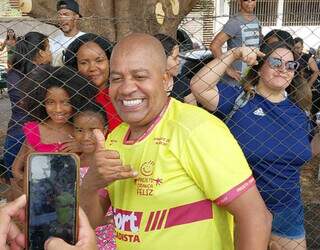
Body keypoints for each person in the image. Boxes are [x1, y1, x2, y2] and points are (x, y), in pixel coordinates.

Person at [80, 33, 271, 250]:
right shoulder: (114, 139)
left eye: (140, 76)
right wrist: (90, 183)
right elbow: (93, 221)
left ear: (165, 80)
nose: (126, 88)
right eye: (116, 79)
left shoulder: (197, 130)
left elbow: (255, 217)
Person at [191, 41, 317, 249]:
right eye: (275, 62)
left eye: (290, 65)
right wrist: (234, 53)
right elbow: (199, 85)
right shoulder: (239, 100)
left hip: (288, 209)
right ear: (260, 66)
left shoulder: (299, 113)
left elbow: (306, 152)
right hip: (242, 208)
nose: (283, 69)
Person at [11, 66, 97, 192]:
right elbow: (16, 169)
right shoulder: (35, 131)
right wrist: (36, 188)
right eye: (50, 102)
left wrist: (83, 148)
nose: (58, 109)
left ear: (76, 101)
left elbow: (94, 164)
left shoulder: (80, 130)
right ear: (41, 102)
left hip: (77, 197)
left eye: (65, 102)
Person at [3, 32, 51, 188]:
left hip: (15, 132)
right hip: (38, 136)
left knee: (16, 188)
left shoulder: (14, 74)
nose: (50, 52)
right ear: (39, 52)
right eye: (48, 48)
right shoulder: (45, 75)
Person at [73, 104, 116, 250]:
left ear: (104, 130)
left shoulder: (112, 160)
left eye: (93, 130)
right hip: (80, 236)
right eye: (79, 130)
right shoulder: (70, 164)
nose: (85, 137)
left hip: (113, 235)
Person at [64, 33, 122, 132]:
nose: (92, 68)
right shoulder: (68, 99)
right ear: (75, 66)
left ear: (110, 61)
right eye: (84, 63)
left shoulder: (123, 94)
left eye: (99, 61)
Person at [0, 195, 98, 250]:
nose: (63, 209)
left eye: (66, 207)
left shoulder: (69, 228)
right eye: (60, 205)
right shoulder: (44, 220)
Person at [210, 0, 261, 86]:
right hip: (233, 82)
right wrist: (228, 69)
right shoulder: (235, 22)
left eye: (252, 0)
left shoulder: (256, 19)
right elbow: (214, 46)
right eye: (246, 0)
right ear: (239, 1)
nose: (250, 2)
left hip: (249, 78)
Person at [154, 33, 196, 104]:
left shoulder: (181, 81)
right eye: (175, 58)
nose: (179, 61)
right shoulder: (146, 83)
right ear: (160, 60)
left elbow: (193, 110)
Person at [50, 0, 85, 66]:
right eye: (60, 15)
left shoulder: (85, 38)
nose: (62, 19)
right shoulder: (53, 41)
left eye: (66, 15)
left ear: (76, 17)